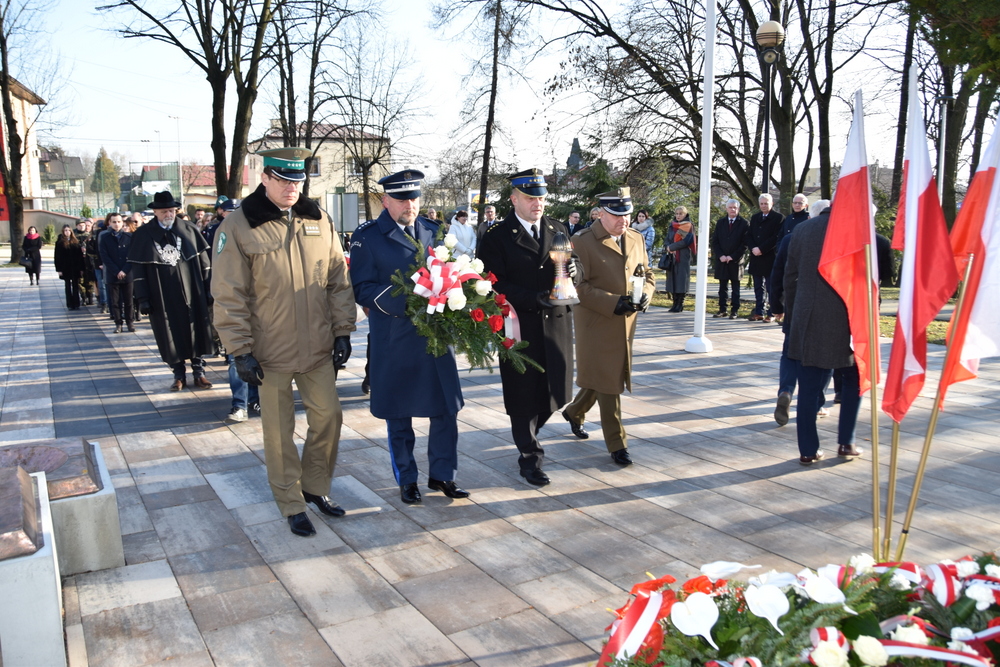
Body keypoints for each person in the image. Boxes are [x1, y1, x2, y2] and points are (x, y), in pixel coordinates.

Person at [214, 147, 356, 537]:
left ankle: (314, 488)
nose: (293, 187)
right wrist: (239, 349)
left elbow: (337, 281)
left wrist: (343, 330)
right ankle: (291, 503)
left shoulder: (318, 219)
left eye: (298, 180)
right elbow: (228, 294)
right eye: (284, 179)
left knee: (329, 418)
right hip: (268, 351)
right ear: (266, 178)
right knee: (278, 434)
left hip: (316, 347)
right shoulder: (239, 225)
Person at [349, 169, 469, 504]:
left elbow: (451, 271)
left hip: (435, 338)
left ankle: (443, 475)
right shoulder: (368, 237)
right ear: (385, 200)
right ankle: (407, 479)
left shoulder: (432, 230)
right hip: (396, 336)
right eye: (402, 199)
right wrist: (409, 299)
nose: (410, 205)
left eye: (414, 198)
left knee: (446, 409)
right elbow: (363, 288)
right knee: (399, 414)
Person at [477, 168, 579, 487]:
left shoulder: (557, 228)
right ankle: (529, 456)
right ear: (514, 199)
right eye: (531, 197)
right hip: (518, 327)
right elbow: (495, 284)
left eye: (541, 197)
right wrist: (533, 298)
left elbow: (564, 269)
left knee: (557, 391)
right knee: (523, 395)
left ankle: (533, 433)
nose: (538, 203)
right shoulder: (496, 237)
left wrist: (574, 269)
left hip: (556, 325)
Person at [563, 188, 654, 465]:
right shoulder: (581, 241)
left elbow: (647, 273)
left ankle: (575, 412)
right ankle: (617, 444)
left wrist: (647, 294)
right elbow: (577, 286)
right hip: (596, 322)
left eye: (626, 214)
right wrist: (614, 302)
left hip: (626, 324)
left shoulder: (636, 238)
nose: (623, 220)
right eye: (616, 215)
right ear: (601, 213)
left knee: (606, 377)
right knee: (609, 382)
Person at [783, 202, 863, 465]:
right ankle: (846, 442)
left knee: (808, 387)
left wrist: (793, 317)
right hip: (847, 320)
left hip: (807, 319)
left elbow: (790, 277)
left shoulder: (802, 230)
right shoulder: (857, 233)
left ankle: (808, 450)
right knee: (853, 383)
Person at [128, 191, 216, 391]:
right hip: (161, 295)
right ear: (155, 212)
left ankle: (199, 372)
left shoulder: (189, 229)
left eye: (171, 210)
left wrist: (209, 289)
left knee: (196, 331)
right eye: (164, 211)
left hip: (192, 292)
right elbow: (139, 269)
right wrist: (142, 298)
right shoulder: (143, 235)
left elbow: (205, 263)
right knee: (169, 333)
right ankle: (178, 375)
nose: (169, 214)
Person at [770, 199, 831, 426]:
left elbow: (778, 274)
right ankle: (816, 401)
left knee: (789, 352)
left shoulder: (790, 238)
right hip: (827, 309)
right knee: (825, 357)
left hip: (795, 305)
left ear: (809, 215)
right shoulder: (833, 239)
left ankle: (785, 390)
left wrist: (777, 306)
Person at [746, 193, 783, 322]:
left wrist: (762, 249)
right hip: (756, 256)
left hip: (769, 256)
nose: (763, 206)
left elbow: (776, 237)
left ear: (771, 204)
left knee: (770, 286)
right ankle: (759, 311)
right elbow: (749, 235)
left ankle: (771, 312)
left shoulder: (778, 218)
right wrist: (753, 248)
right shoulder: (755, 218)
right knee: (758, 286)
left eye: (766, 203)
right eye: (761, 203)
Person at [711, 199, 749, 319]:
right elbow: (715, 241)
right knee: (723, 287)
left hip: (736, 261)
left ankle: (735, 310)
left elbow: (744, 244)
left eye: (735, 207)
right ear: (726, 208)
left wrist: (732, 256)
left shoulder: (744, 223)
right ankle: (722, 309)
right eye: (731, 207)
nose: (733, 209)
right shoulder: (721, 223)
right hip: (722, 260)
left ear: (738, 209)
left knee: (735, 288)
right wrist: (721, 255)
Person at [99, 212, 135, 334]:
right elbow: (105, 257)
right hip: (113, 275)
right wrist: (116, 271)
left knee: (129, 301)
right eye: (114, 222)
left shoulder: (129, 237)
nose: (117, 224)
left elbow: (132, 256)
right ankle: (118, 323)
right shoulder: (104, 238)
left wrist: (124, 270)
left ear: (122, 222)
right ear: (109, 223)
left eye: (119, 222)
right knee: (115, 302)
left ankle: (130, 322)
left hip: (127, 274)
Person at [663, 206, 695, 312]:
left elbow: (685, 241)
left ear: (685, 214)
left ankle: (680, 304)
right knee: (673, 280)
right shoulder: (672, 225)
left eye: (680, 214)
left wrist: (672, 247)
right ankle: (674, 303)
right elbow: (667, 238)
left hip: (682, 256)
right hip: (672, 256)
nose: (678, 216)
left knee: (681, 280)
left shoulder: (687, 225)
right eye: (676, 213)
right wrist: (668, 247)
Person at [54, 225, 84, 310]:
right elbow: (57, 257)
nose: (67, 232)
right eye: (65, 230)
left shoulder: (75, 242)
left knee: (75, 285)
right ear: (63, 232)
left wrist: (81, 268)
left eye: (68, 230)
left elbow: (80, 256)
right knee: (67, 285)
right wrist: (59, 269)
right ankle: (69, 304)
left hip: (75, 267)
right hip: (65, 267)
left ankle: (76, 303)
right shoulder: (60, 242)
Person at [73, 218, 96, 306]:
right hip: (78, 261)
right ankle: (83, 297)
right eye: (80, 225)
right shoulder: (74, 236)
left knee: (89, 280)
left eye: (83, 225)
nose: (82, 226)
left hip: (88, 261)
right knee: (80, 281)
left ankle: (90, 297)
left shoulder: (89, 235)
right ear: (76, 226)